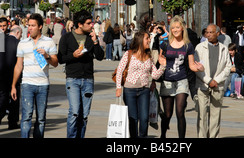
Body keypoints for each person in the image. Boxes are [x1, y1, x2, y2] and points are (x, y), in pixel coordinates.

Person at [10, 13, 58, 138]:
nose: (29, 28)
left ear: (40, 27)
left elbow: (56, 63)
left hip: (43, 85)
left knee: (41, 119)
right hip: (27, 84)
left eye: (33, 26)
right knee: (26, 117)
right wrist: (13, 85)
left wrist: (47, 56)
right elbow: (18, 66)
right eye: (28, 25)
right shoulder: (23, 43)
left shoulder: (49, 42)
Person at [58, 10, 104, 138]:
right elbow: (61, 58)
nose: (91, 26)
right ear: (79, 24)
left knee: (84, 115)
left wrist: (96, 41)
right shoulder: (67, 38)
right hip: (73, 79)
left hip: (88, 79)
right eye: (89, 23)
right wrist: (73, 56)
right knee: (74, 112)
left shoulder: (90, 38)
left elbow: (100, 56)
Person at [159, 16, 204, 139]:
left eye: (177, 27)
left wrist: (200, 68)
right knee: (168, 114)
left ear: (182, 28)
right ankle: (163, 135)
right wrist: (161, 61)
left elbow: (191, 65)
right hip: (167, 81)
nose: (175, 30)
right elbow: (160, 58)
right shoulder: (165, 44)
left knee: (180, 112)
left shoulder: (188, 46)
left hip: (182, 81)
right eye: (172, 27)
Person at [115, 30, 166, 138]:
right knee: (133, 119)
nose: (149, 40)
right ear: (140, 40)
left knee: (144, 119)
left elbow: (155, 75)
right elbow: (119, 70)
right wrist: (118, 87)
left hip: (144, 90)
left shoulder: (149, 56)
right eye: (147, 38)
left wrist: (162, 66)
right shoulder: (129, 54)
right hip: (129, 91)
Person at [195, 23, 231, 138]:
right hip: (203, 84)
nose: (208, 35)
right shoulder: (199, 47)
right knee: (202, 115)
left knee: (216, 115)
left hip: (217, 85)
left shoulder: (224, 49)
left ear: (218, 33)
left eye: (211, 32)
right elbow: (196, 67)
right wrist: (208, 80)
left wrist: (216, 80)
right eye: (207, 32)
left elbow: (228, 67)